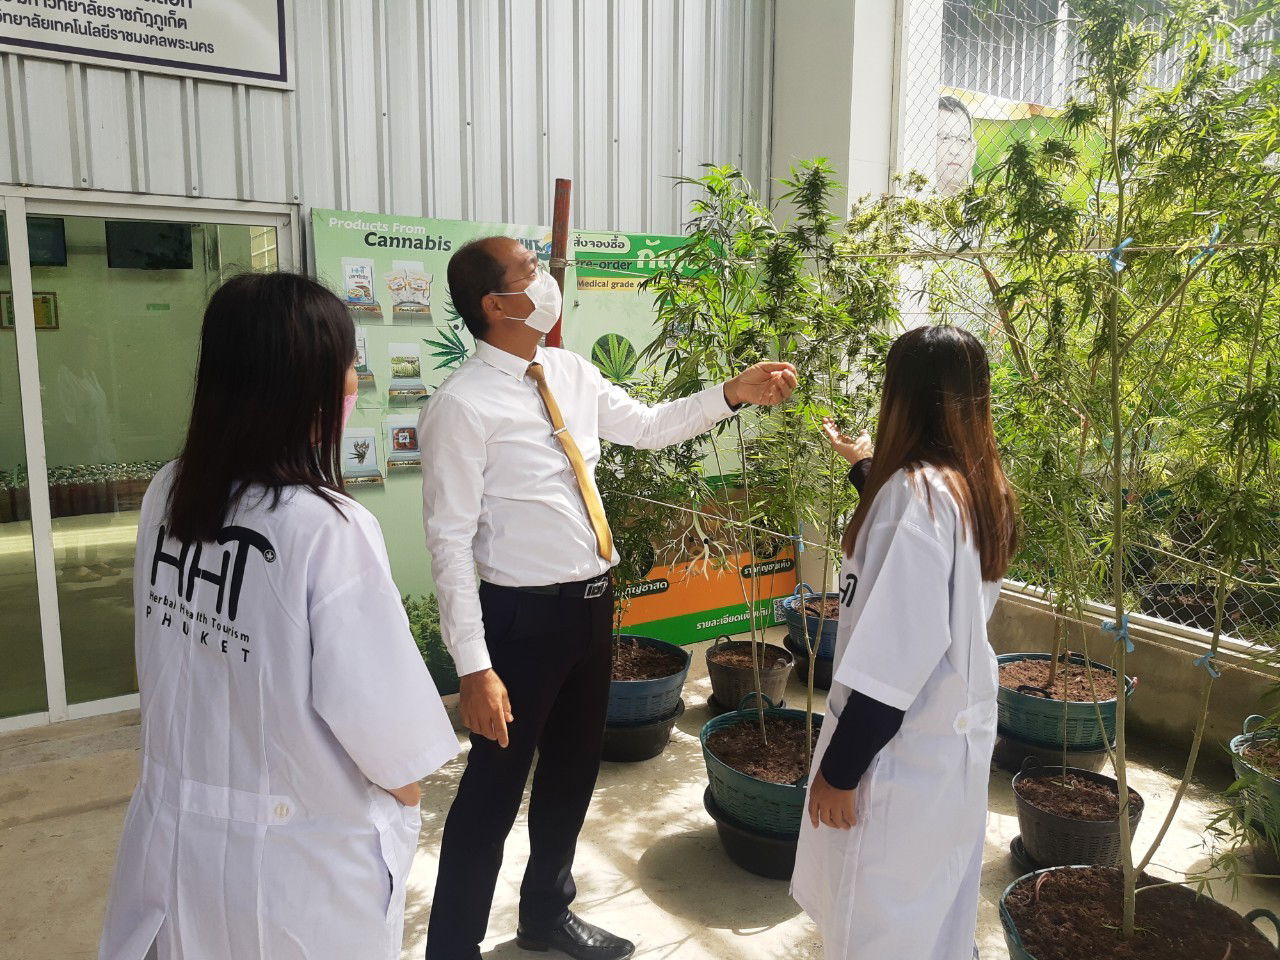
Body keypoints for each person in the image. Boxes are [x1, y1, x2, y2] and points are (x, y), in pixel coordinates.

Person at [419, 236, 798, 960]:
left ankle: (546, 915)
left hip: (593, 607)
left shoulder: (566, 370)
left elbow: (650, 428)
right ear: (496, 305)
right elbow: (447, 543)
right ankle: (451, 948)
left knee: (571, 770)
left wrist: (731, 394)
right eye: (530, 272)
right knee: (492, 792)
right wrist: (474, 666)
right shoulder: (463, 406)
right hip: (520, 620)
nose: (547, 277)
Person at [97, 273, 459, 960]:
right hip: (297, 873)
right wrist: (406, 802)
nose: (355, 380)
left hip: (175, 848)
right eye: (346, 365)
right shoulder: (326, 527)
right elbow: (390, 746)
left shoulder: (170, 491)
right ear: (304, 386)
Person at [793, 325, 1018, 960]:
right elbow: (922, 556)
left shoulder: (912, 495)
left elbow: (895, 658)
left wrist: (840, 772)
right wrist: (864, 466)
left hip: (899, 748)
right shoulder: (979, 485)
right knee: (934, 911)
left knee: (879, 925)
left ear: (901, 396)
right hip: (952, 746)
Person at [936, 95, 978, 197]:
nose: (955, 151)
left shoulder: (986, 208)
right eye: (945, 138)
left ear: (972, 151)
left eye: (962, 140)